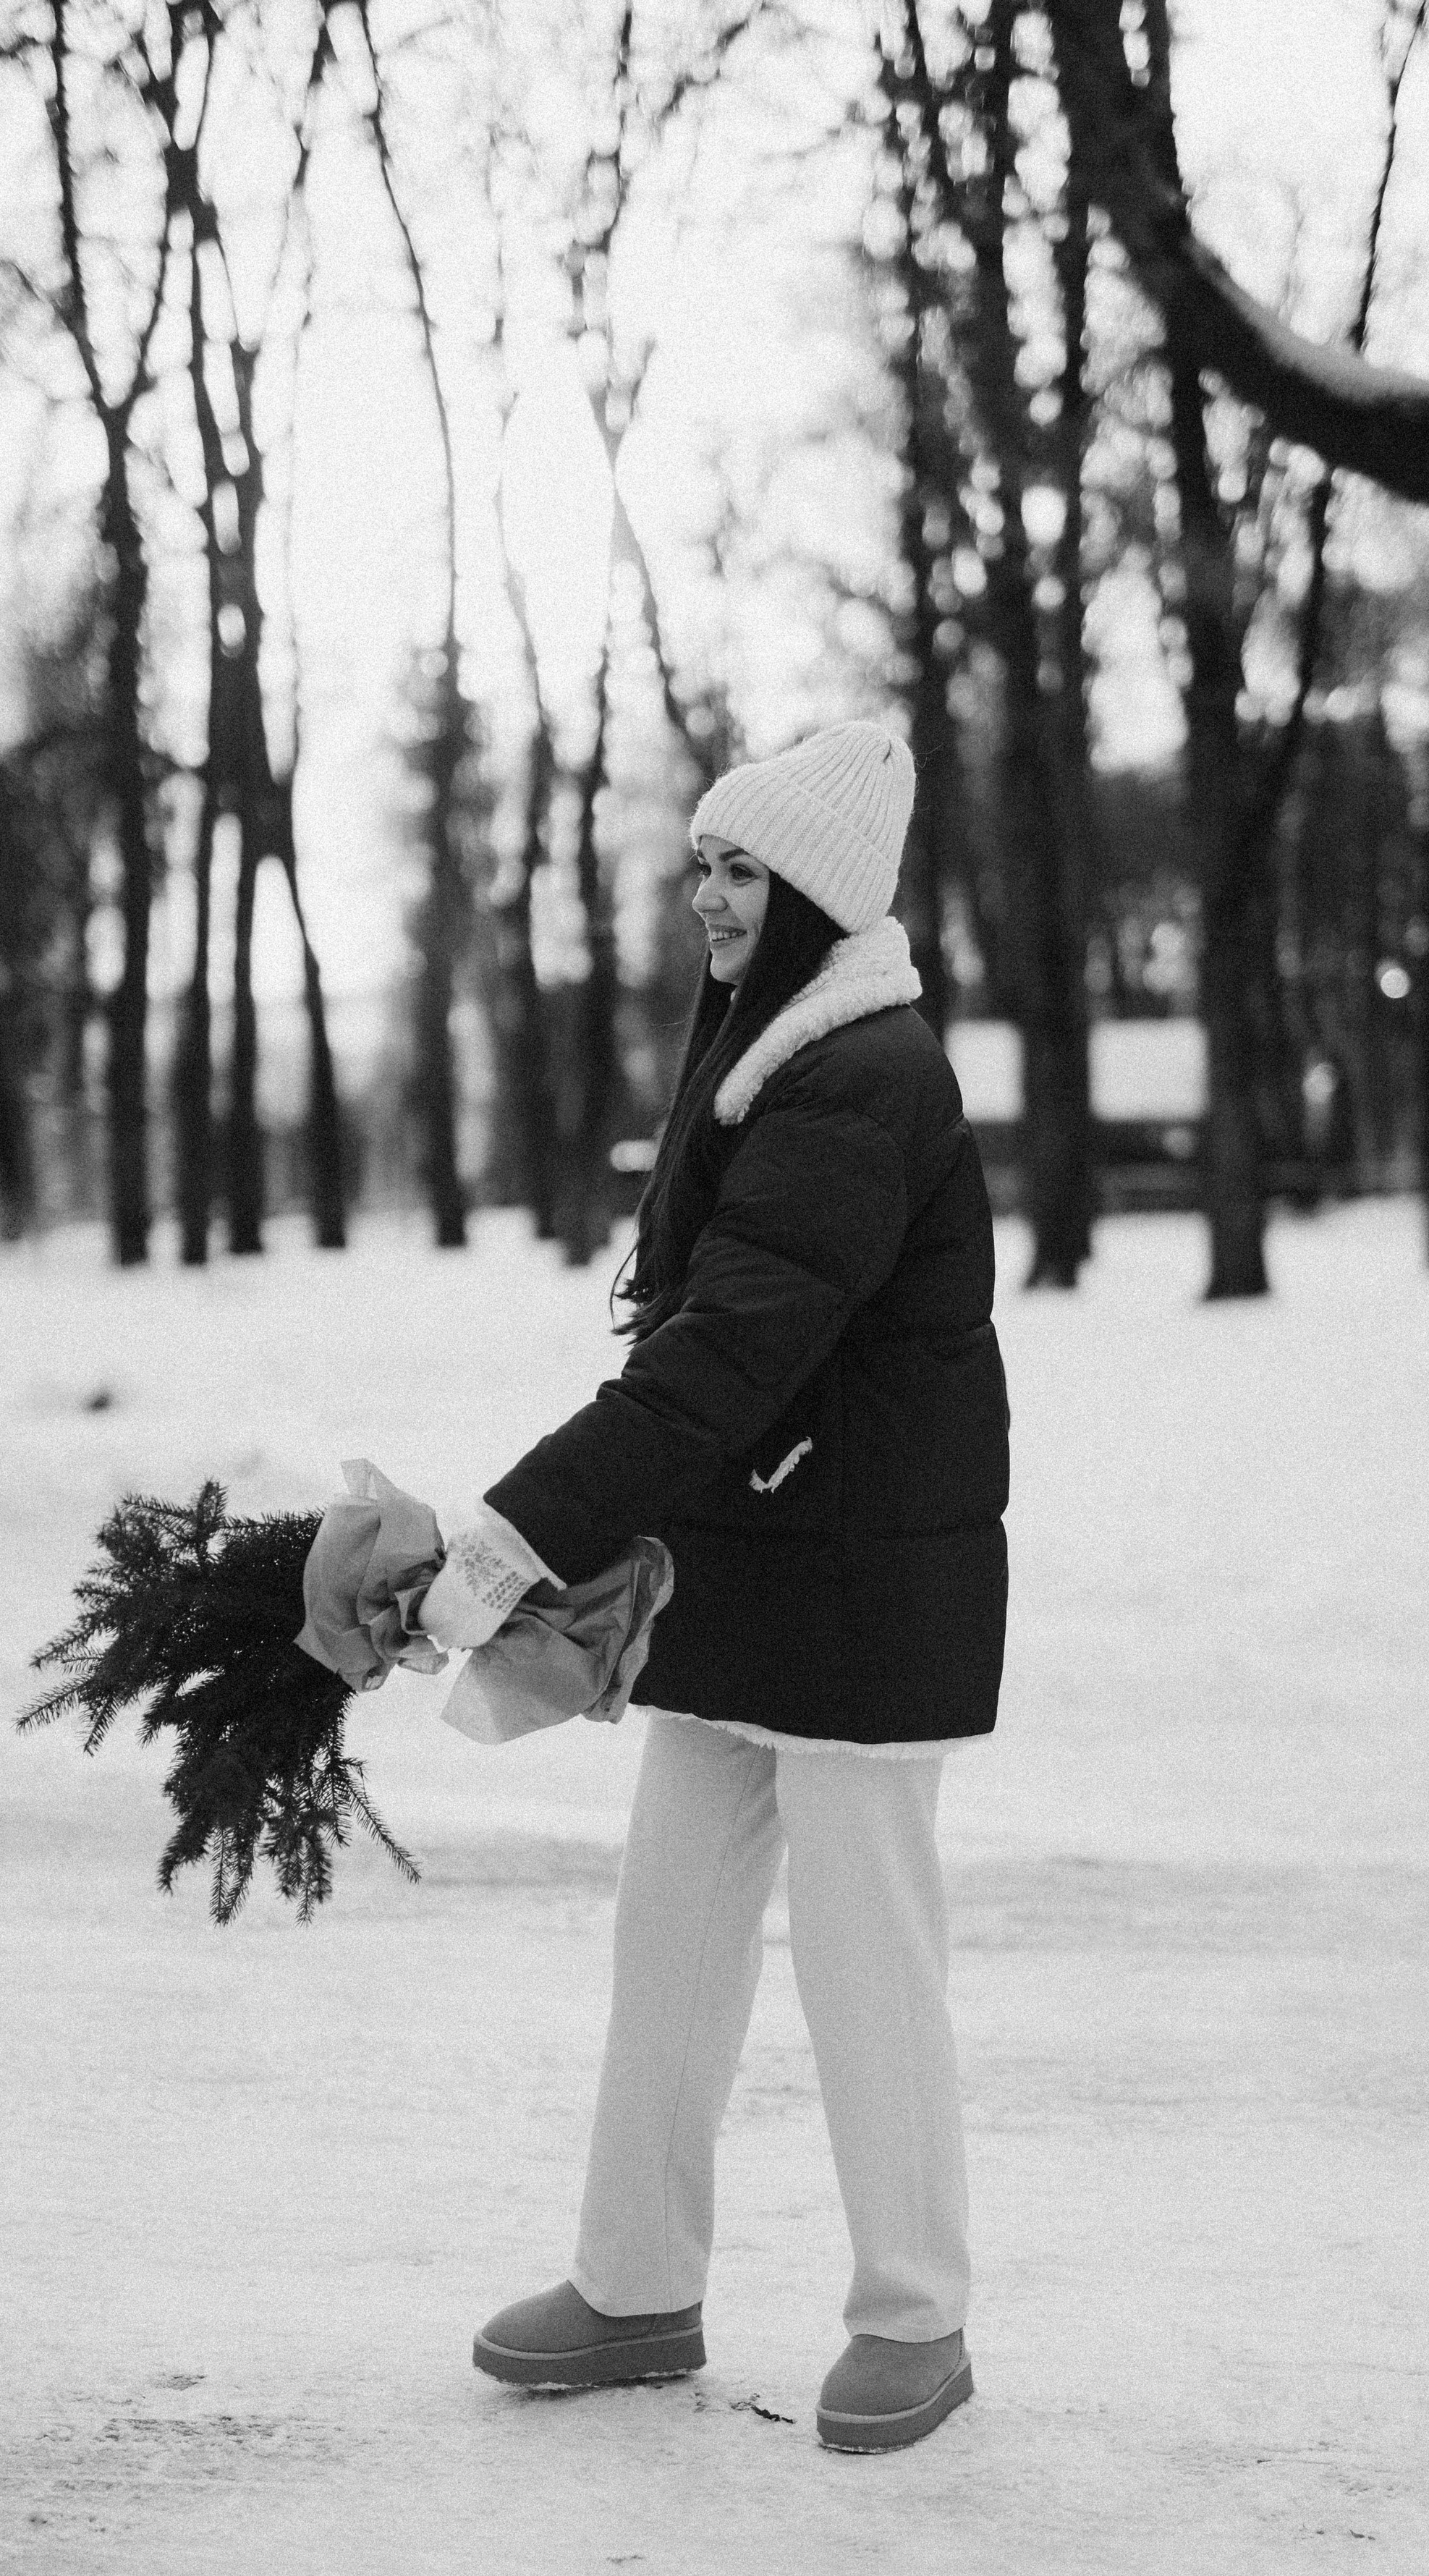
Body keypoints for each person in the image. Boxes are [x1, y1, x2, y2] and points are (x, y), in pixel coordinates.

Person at [420, 721, 1009, 2453]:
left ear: (820, 894)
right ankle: (633, 2286)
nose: (705, 897)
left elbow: (724, 1357)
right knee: (667, 1940)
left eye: (740, 869)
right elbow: (704, 1350)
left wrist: (513, 1534)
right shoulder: (768, 1059)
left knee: (861, 1960)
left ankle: (916, 2316)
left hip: (864, 1581)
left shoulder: (861, 1080)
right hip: (754, 1567)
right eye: (700, 865)